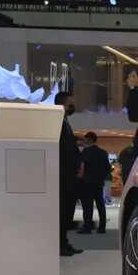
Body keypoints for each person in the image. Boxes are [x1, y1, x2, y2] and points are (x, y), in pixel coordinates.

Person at [57, 97, 82, 256]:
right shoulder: (58, 123)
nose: (73, 106)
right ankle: (60, 245)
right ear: (62, 104)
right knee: (63, 211)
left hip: (69, 175)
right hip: (63, 175)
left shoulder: (65, 123)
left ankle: (64, 242)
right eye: (70, 103)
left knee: (67, 211)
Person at [78, 132, 111, 234]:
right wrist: (101, 178)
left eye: (85, 139)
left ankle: (87, 227)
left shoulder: (86, 151)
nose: (84, 141)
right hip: (99, 183)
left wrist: (80, 176)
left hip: (87, 183)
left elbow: (82, 166)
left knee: (88, 206)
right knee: (100, 205)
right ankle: (102, 228)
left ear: (89, 140)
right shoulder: (103, 152)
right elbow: (108, 168)